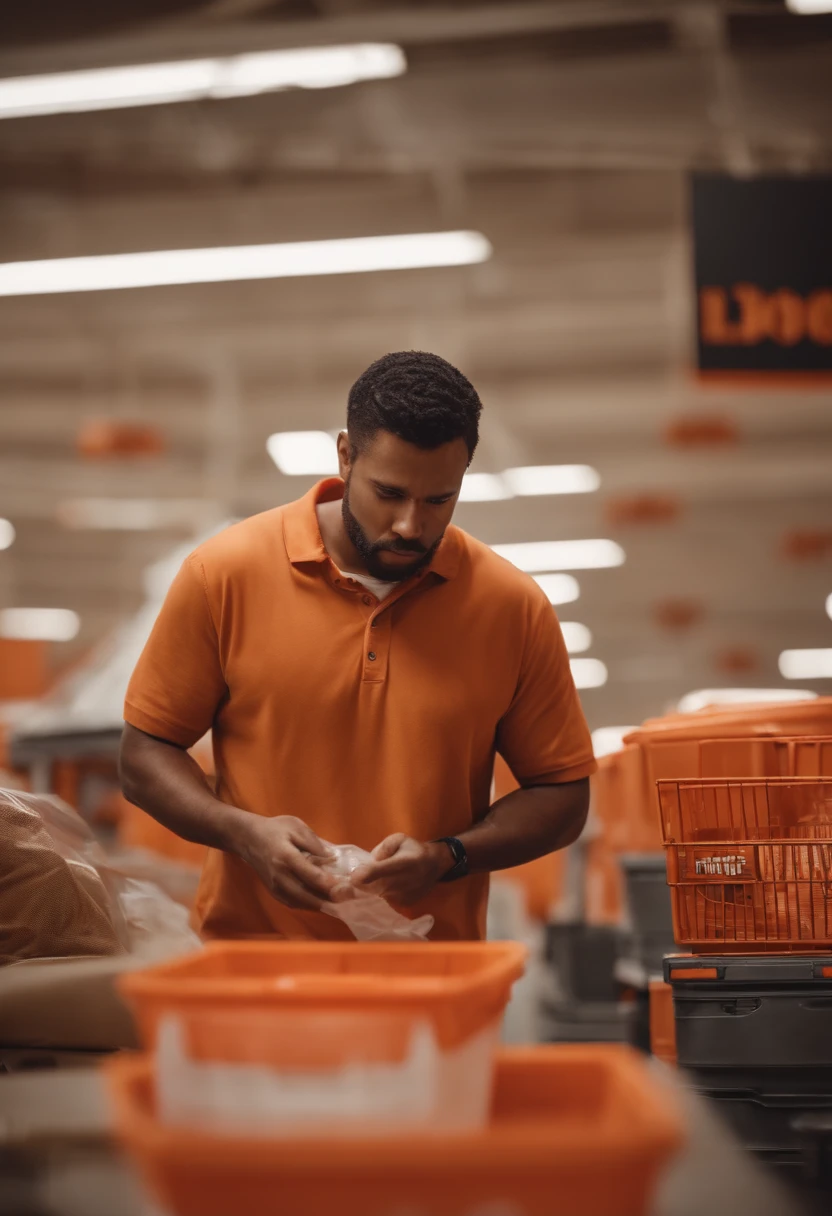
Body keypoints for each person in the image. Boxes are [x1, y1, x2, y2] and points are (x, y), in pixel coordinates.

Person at [119, 350, 596, 940]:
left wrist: (448, 856)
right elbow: (143, 756)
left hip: (433, 982)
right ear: (345, 455)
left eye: (438, 500)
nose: (409, 525)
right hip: (252, 968)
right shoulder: (224, 576)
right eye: (388, 492)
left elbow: (563, 794)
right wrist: (242, 833)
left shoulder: (512, 607)